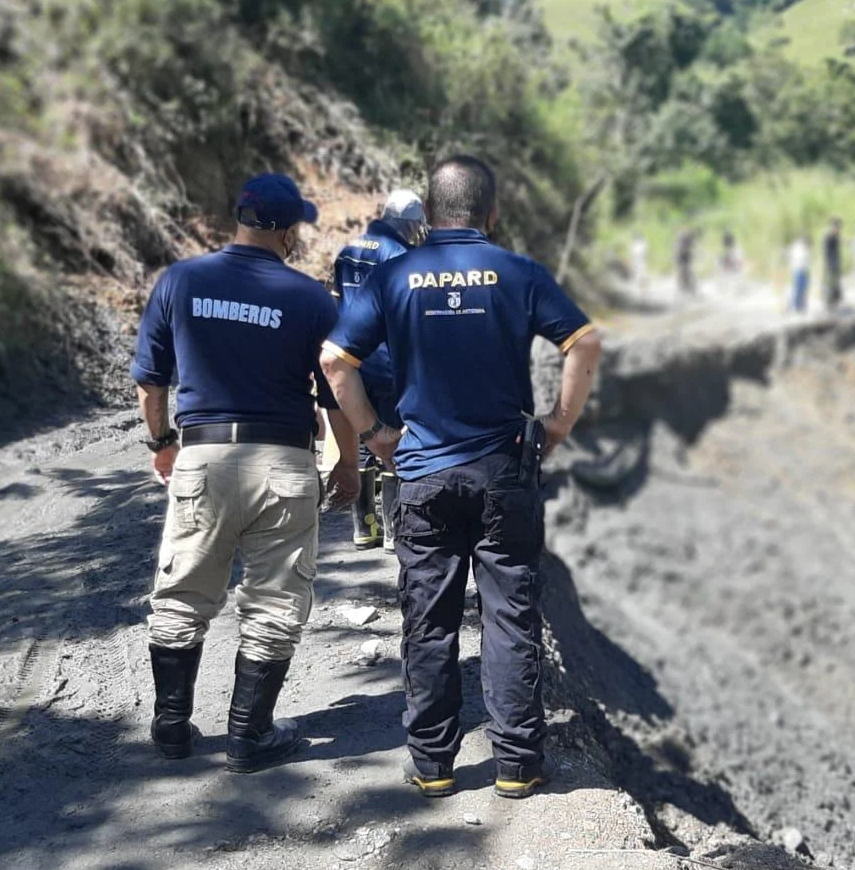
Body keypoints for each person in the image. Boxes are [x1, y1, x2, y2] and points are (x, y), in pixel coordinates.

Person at [320, 155, 603, 801]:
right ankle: (517, 765)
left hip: (422, 471)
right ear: (491, 213)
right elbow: (583, 343)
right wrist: (558, 424)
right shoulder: (518, 272)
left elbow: (336, 360)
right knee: (509, 616)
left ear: (428, 212)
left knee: (429, 619)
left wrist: (375, 435)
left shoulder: (394, 275)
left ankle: (432, 765)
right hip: (502, 469)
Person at [131, 173, 360, 774]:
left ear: (239, 218)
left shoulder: (181, 281)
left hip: (204, 457)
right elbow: (336, 387)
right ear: (286, 231)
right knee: (275, 601)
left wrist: (161, 444)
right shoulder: (311, 298)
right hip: (283, 464)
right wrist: (351, 465)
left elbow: (151, 382)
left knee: (181, 594)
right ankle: (248, 735)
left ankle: (172, 728)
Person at [331, 189, 428, 552]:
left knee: (362, 436)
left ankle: (363, 528)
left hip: (352, 359)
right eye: (417, 224)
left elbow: (339, 300)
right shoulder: (401, 255)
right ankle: (392, 531)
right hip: (389, 360)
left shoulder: (349, 248)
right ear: (408, 222)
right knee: (391, 441)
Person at [822, 217, 843, 310]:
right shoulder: (829, 237)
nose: (837, 229)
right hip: (830, 264)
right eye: (836, 226)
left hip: (836, 264)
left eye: (838, 227)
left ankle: (835, 303)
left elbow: (840, 240)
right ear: (831, 227)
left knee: (836, 284)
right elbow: (826, 253)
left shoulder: (835, 236)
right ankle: (829, 304)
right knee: (831, 285)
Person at [787, 233, 811, 313]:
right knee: (797, 290)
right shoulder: (797, 248)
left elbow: (807, 261)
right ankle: (793, 307)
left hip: (804, 271)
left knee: (803, 290)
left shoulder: (805, 249)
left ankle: (801, 307)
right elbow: (795, 260)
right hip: (797, 270)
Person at [674, 227, 699, 296]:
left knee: (688, 270)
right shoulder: (682, 239)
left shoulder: (688, 239)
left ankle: (688, 286)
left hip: (685, 256)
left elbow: (693, 246)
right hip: (681, 256)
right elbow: (678, 249)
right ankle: (684, 286)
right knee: (683, 270)